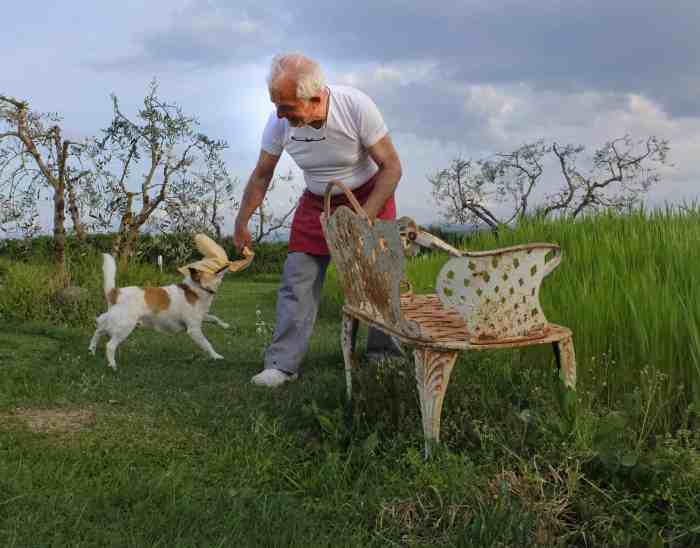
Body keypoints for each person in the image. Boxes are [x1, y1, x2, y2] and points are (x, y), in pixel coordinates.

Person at [234, 53, 403, 387]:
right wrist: (242, 220)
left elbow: (392, 168)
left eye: (286, 106)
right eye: (275, 104)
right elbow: (261, 175)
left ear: (315, 97)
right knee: (298, 278)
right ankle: (282, 365)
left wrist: (362, 219)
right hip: (317, 202)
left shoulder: (355, 106)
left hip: (368, 196)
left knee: (379, 279)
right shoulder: (278, 124)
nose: (279, 114)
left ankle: (384, 357)